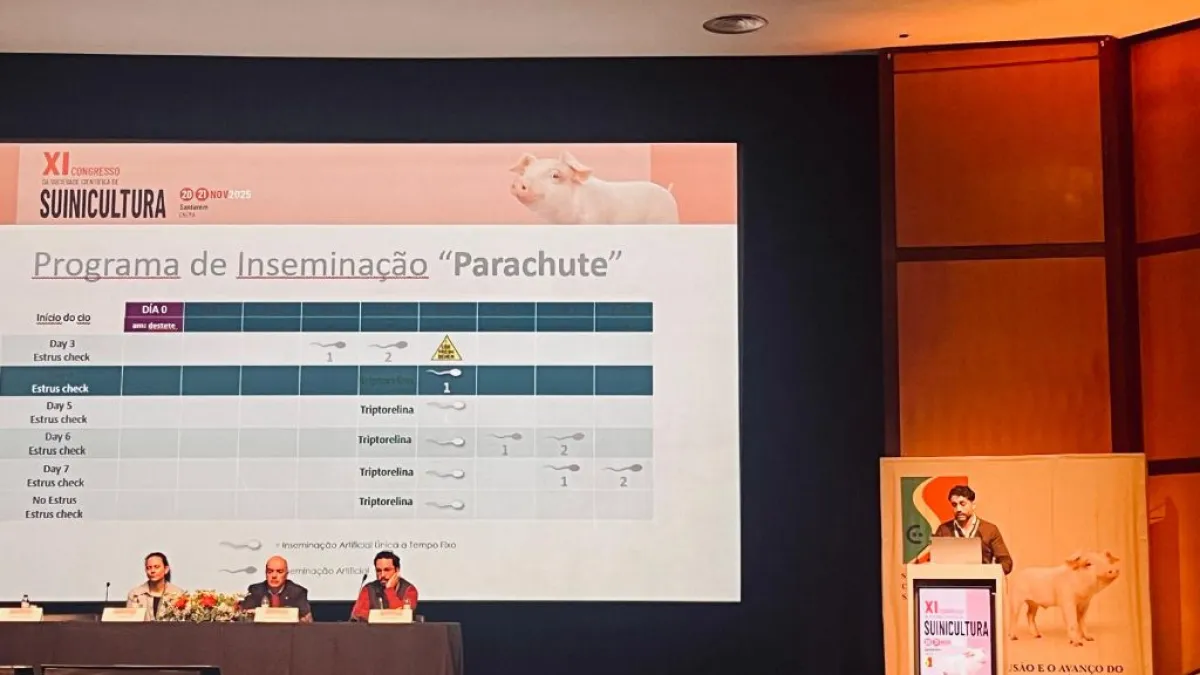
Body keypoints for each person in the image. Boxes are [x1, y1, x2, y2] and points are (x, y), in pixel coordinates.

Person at [934, 484, 1014, 574]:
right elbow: (934, 562)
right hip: (951, 580)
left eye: (962, 504)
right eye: (954, 505)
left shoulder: (989, 530)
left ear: (973, 505)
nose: (958, 509)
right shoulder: (943, 530)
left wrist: (990, 571)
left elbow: (1006, 562)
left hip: (982, 580)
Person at [240, 555, 312, 622]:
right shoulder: (255, 590)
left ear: (286, 575)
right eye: (270, 571)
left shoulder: (298, 592)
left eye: (279, 572)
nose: (274, 576)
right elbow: (245, 615)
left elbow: (307, 620)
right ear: (266, 573)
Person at [350, 550, 419, 621]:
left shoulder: (409, 590)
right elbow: (358, 617)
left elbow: (403, 617)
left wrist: (389, 590)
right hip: (373, 628)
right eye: (378, 570)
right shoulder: (368, 589)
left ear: (397, 570)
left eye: (387, 570)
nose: (382, 575)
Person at [126, 552, 185, 620]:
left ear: (166, 569)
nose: (152, 571)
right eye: (149, 568)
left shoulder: (178, 594)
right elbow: (130, 623)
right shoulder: (135, 594)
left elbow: (182, 622)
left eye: (156, 567)